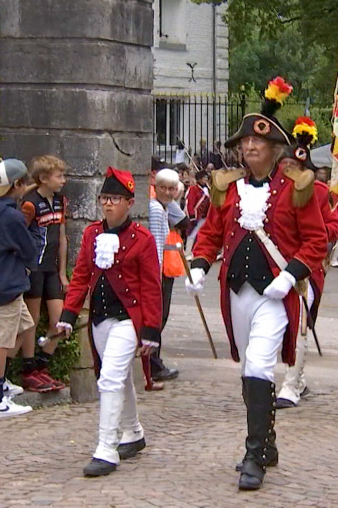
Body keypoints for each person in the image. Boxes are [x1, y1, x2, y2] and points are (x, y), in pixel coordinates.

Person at [186, 77, 327, 491]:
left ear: (275, 150)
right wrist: (198, 265)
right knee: (250, 369)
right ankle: (266, 441)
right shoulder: (227, 189)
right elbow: (211, 233)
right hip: (237, 294)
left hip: (276, 295)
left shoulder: (297, 189)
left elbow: (316, 240)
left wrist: (290, 275)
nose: (249, 148)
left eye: (257, 143)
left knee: (262, 365)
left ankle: (253, 454)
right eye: (244, 143)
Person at [56, 167, 162, 477]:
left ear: (130, 203)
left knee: (111, 378)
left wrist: (151, 331)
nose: (107, 204)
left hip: (129, 319)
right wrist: (68, 315)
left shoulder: (141, 238)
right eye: (104, 198)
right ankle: (133, 432)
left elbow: (152, 287)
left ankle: (106, 448)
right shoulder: (91, 234)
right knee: (118, 377)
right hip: (100, 319)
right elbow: (80, 278)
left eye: (115, 198)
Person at [275, 117, 338, 409]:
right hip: (274, 267)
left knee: (299, 322)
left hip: (307, 270)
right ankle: (297, 378)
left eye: (296, 167)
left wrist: (315, 233)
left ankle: (290, 385)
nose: (290, 171)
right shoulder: (272, 192)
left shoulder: (319, 192)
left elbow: (334, 226)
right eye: (286, 165)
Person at [0, 159, 38, 418]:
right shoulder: (12, 215)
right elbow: (29, 249)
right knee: (1, 340)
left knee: (25, 326)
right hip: (7, 280)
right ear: (17, 185)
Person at [20, 155, 69, 391]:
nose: (63, 180)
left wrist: (62, 272)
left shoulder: (60, 201)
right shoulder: (29, 203)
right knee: (32, 319)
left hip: (51, 267)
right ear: (43, 178)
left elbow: (61, 237)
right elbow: (19, 234)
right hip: (34, 268)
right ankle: (28, 368)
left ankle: (42, 364)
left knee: (59, 321)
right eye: (59, 176)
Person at [148, 168, 188, 382]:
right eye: (163, 188)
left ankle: (154, 360)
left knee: (160, 315)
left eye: (172, 189)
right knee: (158, 316)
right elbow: (156, 241)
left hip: (162, 268)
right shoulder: (155, 209)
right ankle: (152, 362)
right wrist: (156, 272)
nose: (168, 192)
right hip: (159, 270)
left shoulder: (162, 207)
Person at [186, 170, 210, 250]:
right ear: (199, 179)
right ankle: (188, 252)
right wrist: (192, 216)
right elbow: (191, 203)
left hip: (205, 216)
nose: (206, 179)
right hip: (197, 216)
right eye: (204, 178)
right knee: (192, 234)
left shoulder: (207, 189)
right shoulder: (193, 189)